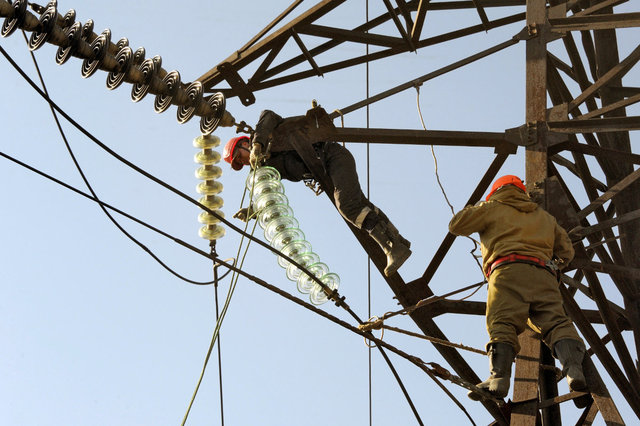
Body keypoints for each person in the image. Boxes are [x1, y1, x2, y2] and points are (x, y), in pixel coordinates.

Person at [223, 109, 411, 277]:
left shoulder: (265, 135)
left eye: (241, 156)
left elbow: (268, 115)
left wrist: (258, 144)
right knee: (360, 205)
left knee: (348, 206)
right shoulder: (267, 166)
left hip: (332, 156)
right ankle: (398, 241)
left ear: (245, 143)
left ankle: (391, 247)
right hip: (326, 171)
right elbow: (268, 193)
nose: (245, 162)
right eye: (240, 162)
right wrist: (254, 209)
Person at [448, 175, 587, 401]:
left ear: (495, 192)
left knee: (502, 321)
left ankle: (499, 379)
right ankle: (573, 371)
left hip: (507, 271)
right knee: (557, 322)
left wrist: (482, 206)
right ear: (522, 192)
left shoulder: (492, 207)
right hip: (544, 275)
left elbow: (456, 225)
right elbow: (566, 253)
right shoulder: (545, 217)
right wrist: (554, 264)